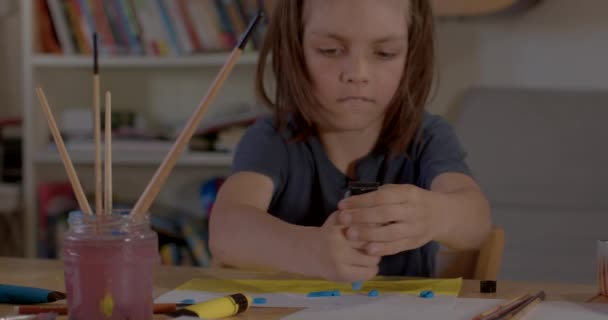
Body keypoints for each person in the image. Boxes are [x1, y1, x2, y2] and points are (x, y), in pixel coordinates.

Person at [209, 0, 491, 282]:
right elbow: (225, 231)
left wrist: (435, 215)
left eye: (384, 53)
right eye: (330, 51)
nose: (357, 74)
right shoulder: (272, 137)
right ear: (293, 52)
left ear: (411, 57)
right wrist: (308, 250)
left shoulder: (427, 136)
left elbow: (477, 222)